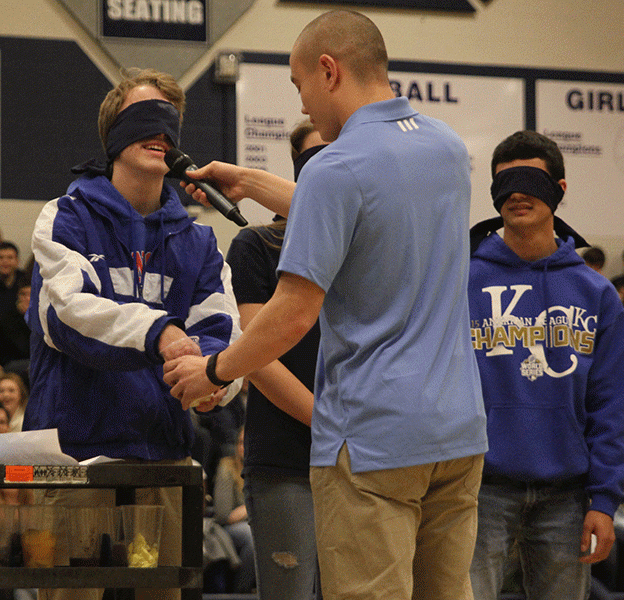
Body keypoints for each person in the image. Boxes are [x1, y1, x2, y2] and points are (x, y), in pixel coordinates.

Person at [163, 10, 488, 600]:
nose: (305, 105)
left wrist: (212, 369)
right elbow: (369, 208)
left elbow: (291, 314)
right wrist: (252, 181)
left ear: (329, 71)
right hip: (458, 434)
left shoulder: (335, 168)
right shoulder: (444, 147)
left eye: (299, 85)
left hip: (373, 439)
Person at [24, 67, 242, 600]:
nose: (161, 132)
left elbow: (220, 329)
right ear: (113, 133)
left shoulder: (198, 241)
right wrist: (163, 333)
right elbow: (69, 316)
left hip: (161, 462)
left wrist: (214, 380)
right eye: (146, 116)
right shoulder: (64, 218)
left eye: (172, 122)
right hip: (75, 460)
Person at [466, 130, 624, 600]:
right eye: (506, 183)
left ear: (559, 189)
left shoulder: (596, 293)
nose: (518, 194)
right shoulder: (461, 279)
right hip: (477, 489)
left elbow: (610, 405)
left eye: (531, 181)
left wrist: (604, 499)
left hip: (567, 497)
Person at [222, 118, 323, 600]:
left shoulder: (365, 248)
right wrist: (328, 423)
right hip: (287, 459)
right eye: (314, 156)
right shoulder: (257, 245)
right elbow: (257, 353)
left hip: (365, 459)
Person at [212, 427, 256, 594]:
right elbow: (223, 515)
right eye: (240, 442)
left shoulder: (261, 470)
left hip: (252, 522)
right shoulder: (227, 466)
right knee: (251, 536)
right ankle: (240, 591)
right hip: (228, 528)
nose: (242, 447)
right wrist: (249, 507)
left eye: (248, 443)